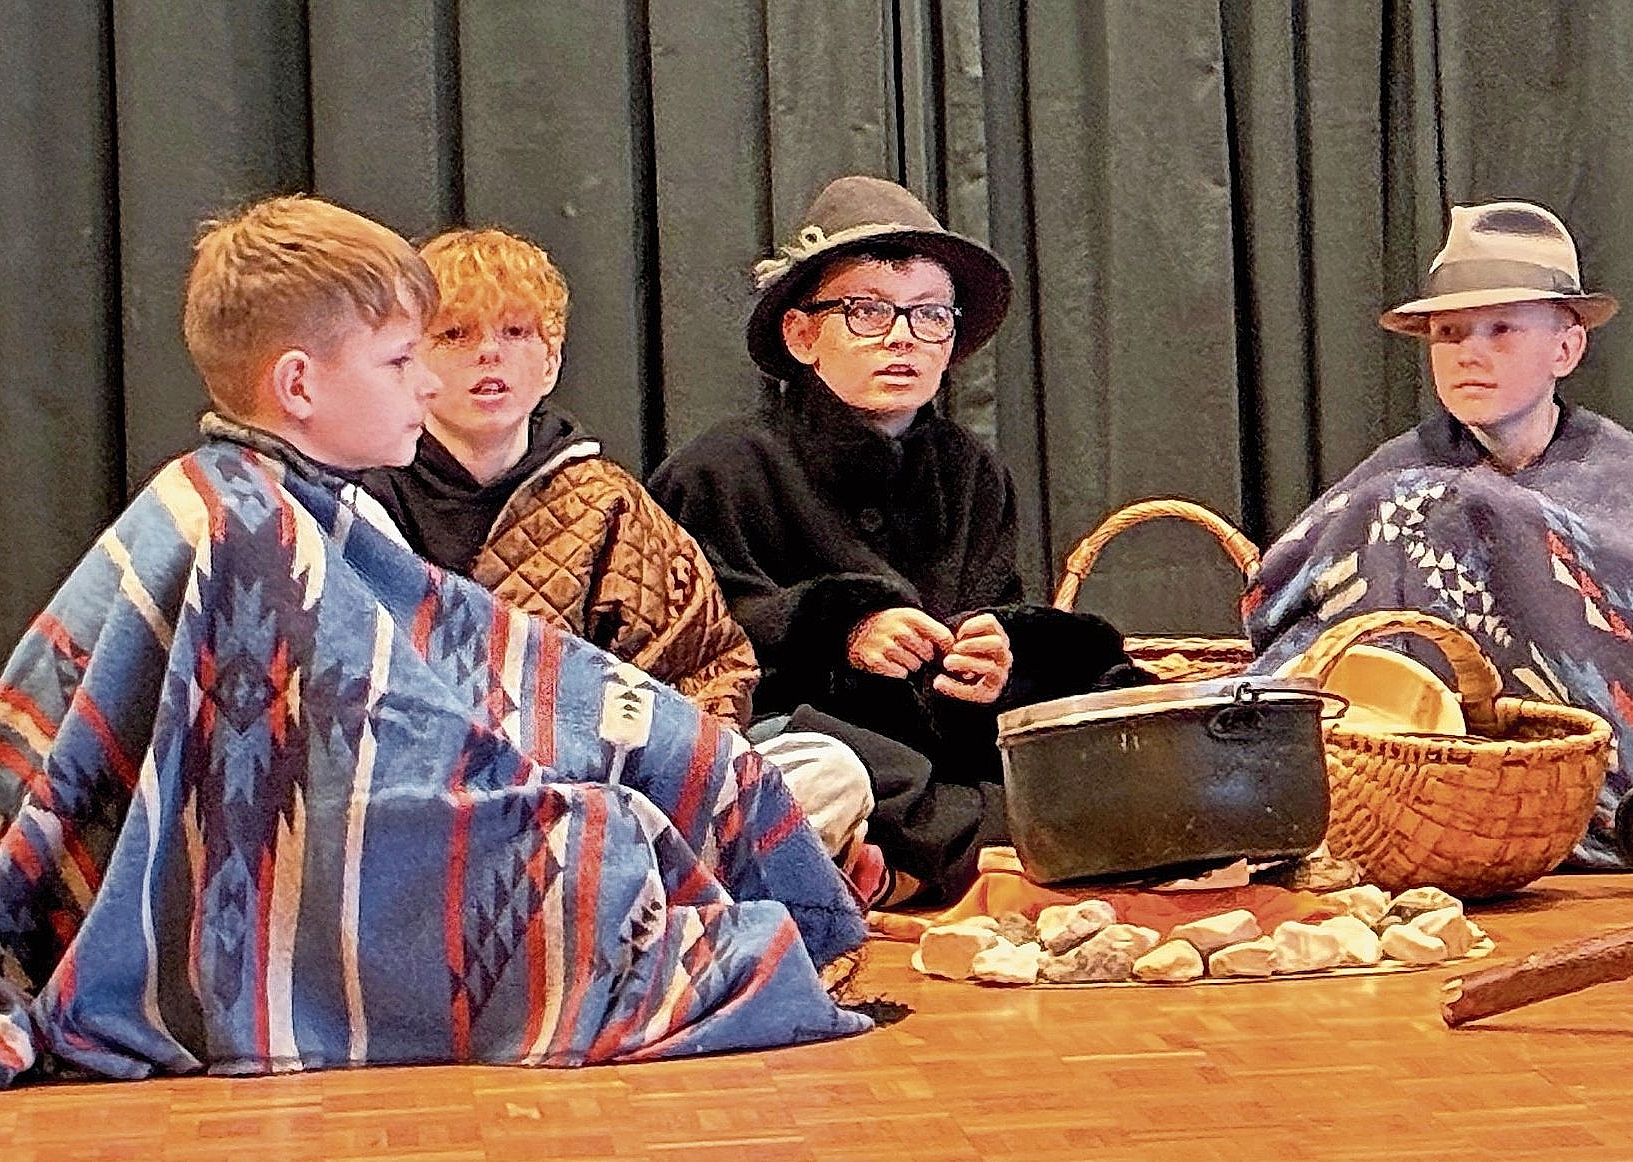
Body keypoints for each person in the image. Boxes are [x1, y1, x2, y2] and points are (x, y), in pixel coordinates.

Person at [0, 196, 868, 1087]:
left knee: (766, 768)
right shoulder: (253, 529)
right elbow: (383, 774)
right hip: (341, 866)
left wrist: (667, 746)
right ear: (299, 386)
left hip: (392, 810)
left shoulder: (270, 497)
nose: (425, 383)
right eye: (401, 359)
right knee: (610, 844)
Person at [650, 175, 1141, 903]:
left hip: (943, 750)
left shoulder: (971, 471)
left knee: (1100, 738)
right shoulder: (718, 470)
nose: (902, 337)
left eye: (929, 314)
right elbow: (685, 655)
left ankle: (919, 868)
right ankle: (928, 867)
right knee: (840, 767)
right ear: (803, 335)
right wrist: (840, 632)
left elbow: (993, 607)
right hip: (798, 741)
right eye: (867, 311)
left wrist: (994, 661)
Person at [1241, 200, 1633, 882]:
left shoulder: (1616, 473)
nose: (1468, 354)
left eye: (1500, 329)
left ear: (1565, 349)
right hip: (1407, 802)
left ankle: (1626, 818)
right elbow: (1282, 597)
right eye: (1448, 333)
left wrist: (1490, 524)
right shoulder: (1398, 474)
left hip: (1607, 797)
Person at [360, 227, 876, 872]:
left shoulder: (606, 502)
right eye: (456, 334)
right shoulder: (362, 500)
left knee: (828, 770)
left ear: (551, 361)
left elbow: (706, 666)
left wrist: (638, 766)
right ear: (412, 358)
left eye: (516, 332)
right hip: (428, 801)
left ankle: (629, 889)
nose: (489, 353)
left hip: (601, 796)